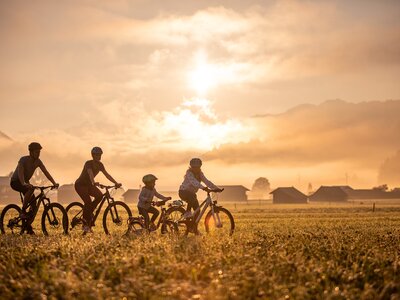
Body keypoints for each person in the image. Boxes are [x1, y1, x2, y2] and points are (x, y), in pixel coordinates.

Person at [10, 142, 59, 234]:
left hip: (25, 183)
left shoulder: (38, 161)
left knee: (34, 205)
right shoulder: (23, 160)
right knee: (30, 189)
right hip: (16, 182)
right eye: (37, 152)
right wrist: (24, 183)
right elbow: (20, 172)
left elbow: (46, 172)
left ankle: (28, 228)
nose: (38, 154)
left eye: (39, 152)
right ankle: (23, 211)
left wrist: (54, 182)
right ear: (31, 152)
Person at [75, 147, 122, 235]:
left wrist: (116, 183)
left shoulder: (100, 165)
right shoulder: (88, 163)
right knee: (88, 201)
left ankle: (89, 213)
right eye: (97, 154)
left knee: (100, 196)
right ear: (93, 155)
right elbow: (90, 173)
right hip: (80, 184)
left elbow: (107, 175)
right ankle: (85, 225)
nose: (99, 156)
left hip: (89, 185)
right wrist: (93, 182)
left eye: (100, 154)